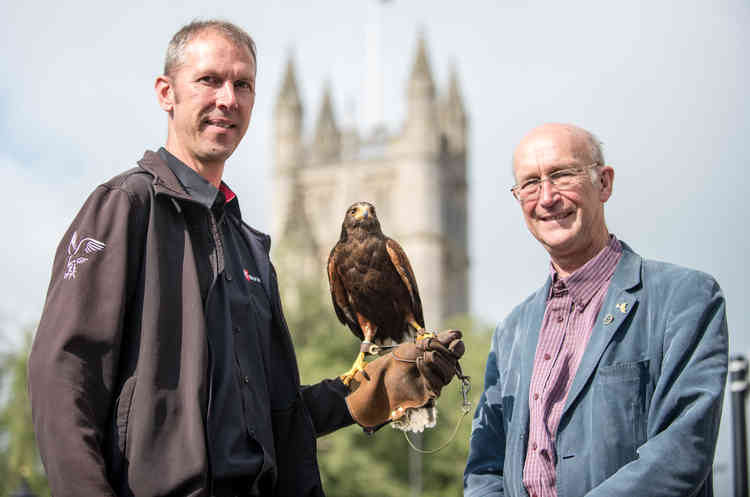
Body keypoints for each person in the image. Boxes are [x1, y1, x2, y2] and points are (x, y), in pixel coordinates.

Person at [28, 20, 464, 497]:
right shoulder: (126, 206)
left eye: (243, 84)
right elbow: (64, 374)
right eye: (209, 80)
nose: (227, 98)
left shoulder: (250, 246)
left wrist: (372, 390)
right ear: (166, 92)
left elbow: (274, 416)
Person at [464, 123, 728, 497]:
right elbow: (483, 471)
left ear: (604, 183)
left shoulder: (685, 299)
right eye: (530, 184)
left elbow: (682, 450)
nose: (547, 197)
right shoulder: (512, 330)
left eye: (561, 175)